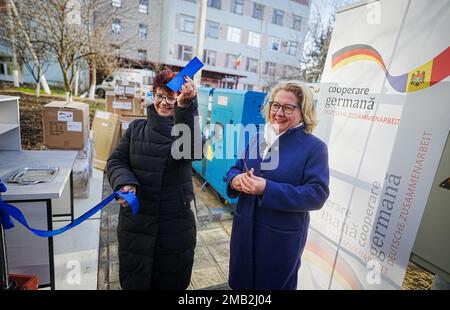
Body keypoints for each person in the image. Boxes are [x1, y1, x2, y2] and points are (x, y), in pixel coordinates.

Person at [225, 80, 330, 290]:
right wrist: (235, 180)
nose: (279, 112)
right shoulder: (258, 138)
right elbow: (235, 169)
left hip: (278, 241)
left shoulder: (314, 148)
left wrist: (267, 189)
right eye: (275, 105)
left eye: (288, 107)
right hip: (245, 232)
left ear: (303, 111)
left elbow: (317, 194)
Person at [106, 69, 201, 290]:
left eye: (171, 97)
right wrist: (124, 182)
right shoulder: (136, 129)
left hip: (175, 225)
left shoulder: (185, 131)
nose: (164, 102)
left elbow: (192, 151)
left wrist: (186, 108)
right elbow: (116, 161)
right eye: (160, 95)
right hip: (137, 224)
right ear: (153, 95)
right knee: (136, 279)